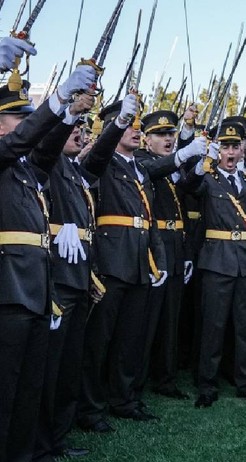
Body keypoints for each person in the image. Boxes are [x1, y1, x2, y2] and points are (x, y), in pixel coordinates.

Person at [0, 63, 97, 461]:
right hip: (8, 289)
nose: (26, 123)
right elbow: (22, 141)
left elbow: (45, 146)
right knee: (6, 392)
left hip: (36, 290)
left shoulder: (23, 171)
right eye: (17, 117)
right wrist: (56, 100)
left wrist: (69, 113)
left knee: (28, 390)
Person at [77, 94, 169, 432]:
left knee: (130, 339)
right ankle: (90, 408)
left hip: (141, 261)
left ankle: (125, 399)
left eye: (135, 124)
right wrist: (111, 132)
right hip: (112, 261)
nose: (135, 129)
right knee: (100, 341)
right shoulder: (101, 162)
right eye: (127, 123)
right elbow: (96, 158)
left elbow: (150, 218)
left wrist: (159, 260)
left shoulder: (139, 169)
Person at [180, 121, 246, 408]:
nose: (230, 152)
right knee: (213, 325)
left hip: (245, 260)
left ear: (242, 150)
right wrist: (199, 164)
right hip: (216, 260)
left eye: (234, 147)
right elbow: (188, 186)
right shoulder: (207, 179)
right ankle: (207, 384)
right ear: (216, 150)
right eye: (225, 147)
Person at [33, 94, 97, 461]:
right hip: (55, 275)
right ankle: (43, 442)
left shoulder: (74, 170)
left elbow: (98, 155)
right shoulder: (47, 162)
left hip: (78, 273)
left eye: (84, 128)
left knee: (70, 364)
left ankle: (58, 436)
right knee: (50, 367)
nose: (80, 133)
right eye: (74, 128)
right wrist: (67, 113)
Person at [133, 110, 203, 403]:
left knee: (170, 320)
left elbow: (185, 201)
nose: (168, 139)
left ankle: (166, 378)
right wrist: (183, 154)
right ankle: (136, 380)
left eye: (171, 134)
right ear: (146, 139)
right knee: (147, 320)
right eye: (161, 135)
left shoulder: (173, 167)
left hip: (176, 245)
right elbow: (154, 170)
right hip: (154, 246)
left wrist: (195, 167)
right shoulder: (141, 161)